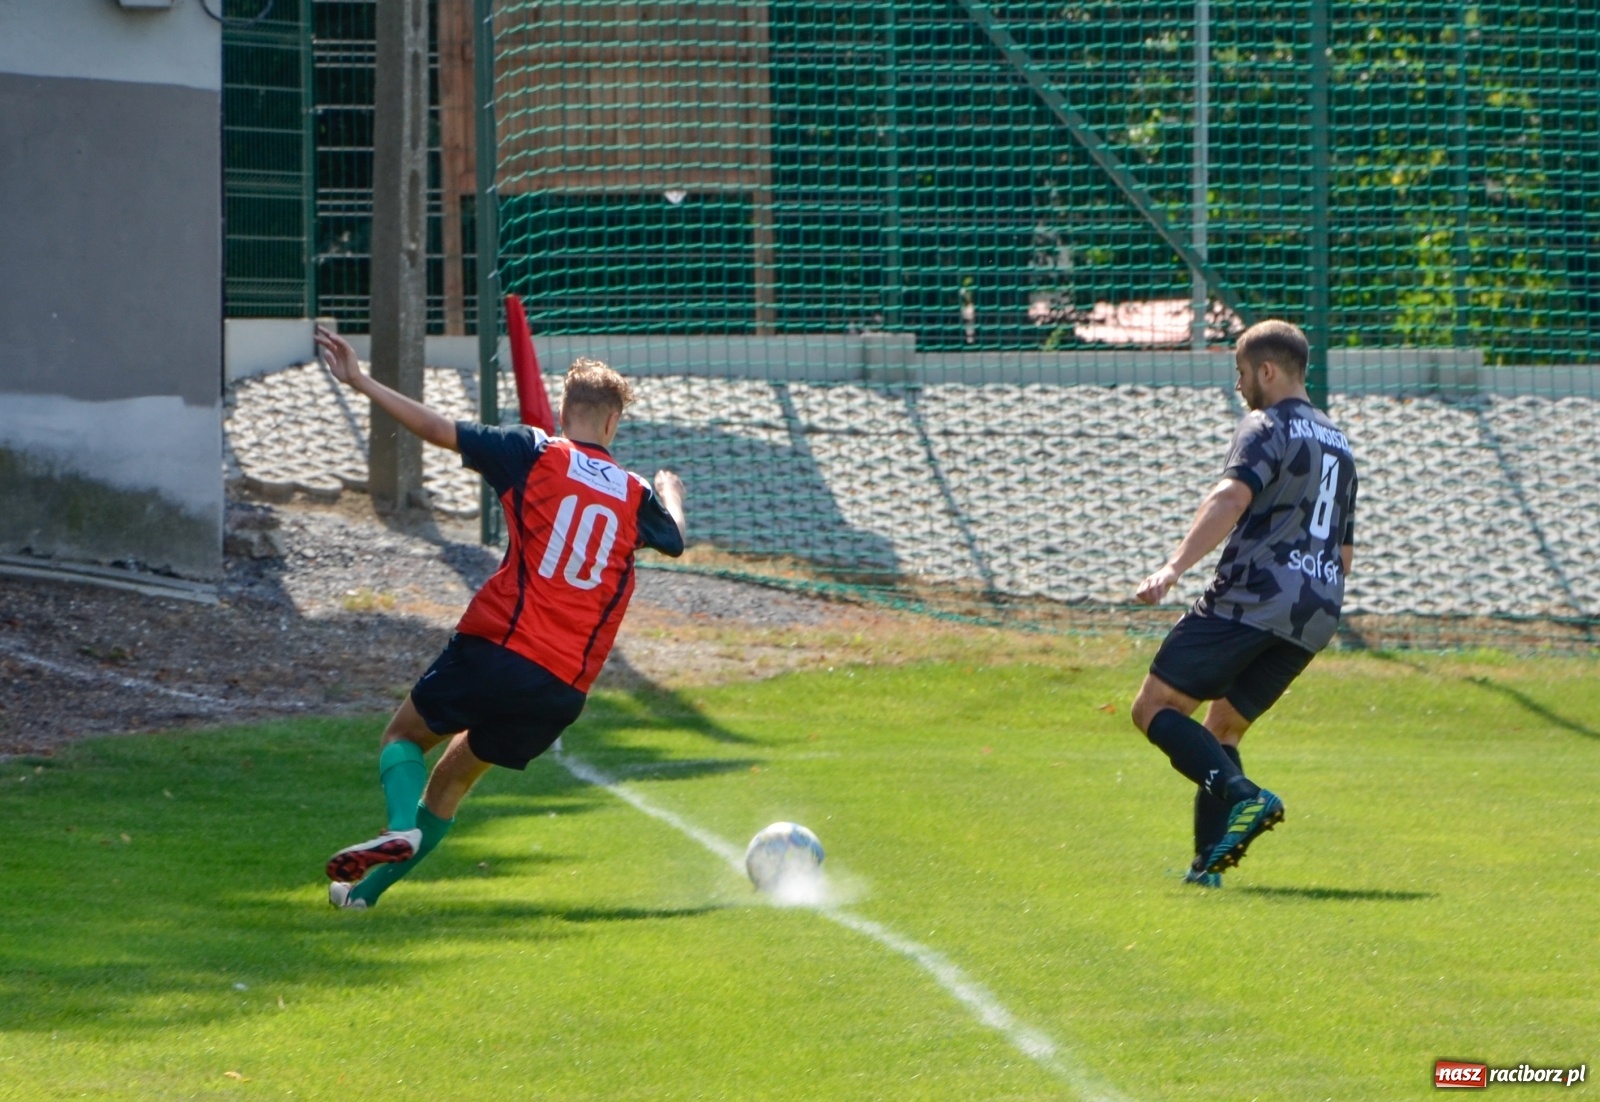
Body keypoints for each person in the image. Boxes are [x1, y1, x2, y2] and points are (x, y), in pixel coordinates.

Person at [313, 326, 686, 910]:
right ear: (613, 424)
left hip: (499, 649)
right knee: (453, 780)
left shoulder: (532, 451)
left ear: (566, 412)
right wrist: (670, 489)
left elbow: (438, 429)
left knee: (403, 737)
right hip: (561, 688)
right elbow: (677, 540)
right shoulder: (638, 496)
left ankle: (397, 829)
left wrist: (360, 380)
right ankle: (362, 897)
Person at [1129, 319, 1357, 886]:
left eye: (1240, 371)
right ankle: (1207, 866)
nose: (1238, 383)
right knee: (1223, 727)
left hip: (1255, 597)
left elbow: (1231, 496)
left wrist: (1174, 567)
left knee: (1153, 708)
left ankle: (1242, 794)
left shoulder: (1265, 423)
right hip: (1317, 608)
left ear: (1268, 370)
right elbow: (1344, 548)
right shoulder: (1339, 442)